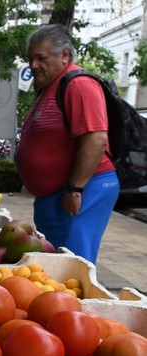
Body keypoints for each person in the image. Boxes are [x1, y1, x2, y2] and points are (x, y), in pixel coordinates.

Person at [15, 24, 119, 264]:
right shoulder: (50, 86)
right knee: (54, 262)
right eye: (31, 59)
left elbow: (95, 138)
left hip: (83, 188)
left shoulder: (78, 84)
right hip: (57, 194)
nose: (33, 65)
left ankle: (76, 303)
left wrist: (75, 188)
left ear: (64, 55)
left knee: (72, 263)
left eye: (41, 58)